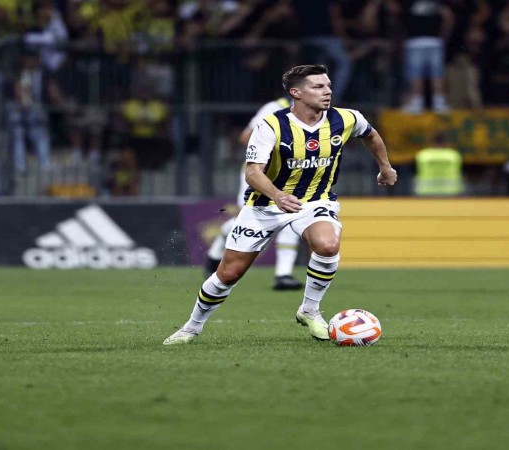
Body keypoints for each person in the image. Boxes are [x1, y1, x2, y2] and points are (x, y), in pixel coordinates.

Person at [164, 64, 397, 345]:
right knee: (228, 274)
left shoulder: (347, 118)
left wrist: (385, 167)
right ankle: (192, 327)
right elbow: (253, 172)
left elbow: (371, 135)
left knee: (327, 245)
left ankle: (309, 310)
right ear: (296, 93)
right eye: (318, 86)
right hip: (265, 205)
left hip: (315, 201)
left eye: (328, 85)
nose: (327, 91)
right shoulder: (271, 125)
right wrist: (277, 195)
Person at [205, 96, 306, 291]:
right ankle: (220, 242)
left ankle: (283, 275)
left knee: (291, 214)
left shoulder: (317, 116)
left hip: (290, 174)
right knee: (250, 220)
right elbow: (246, 137)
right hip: (260, 172)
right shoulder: (275, 107)